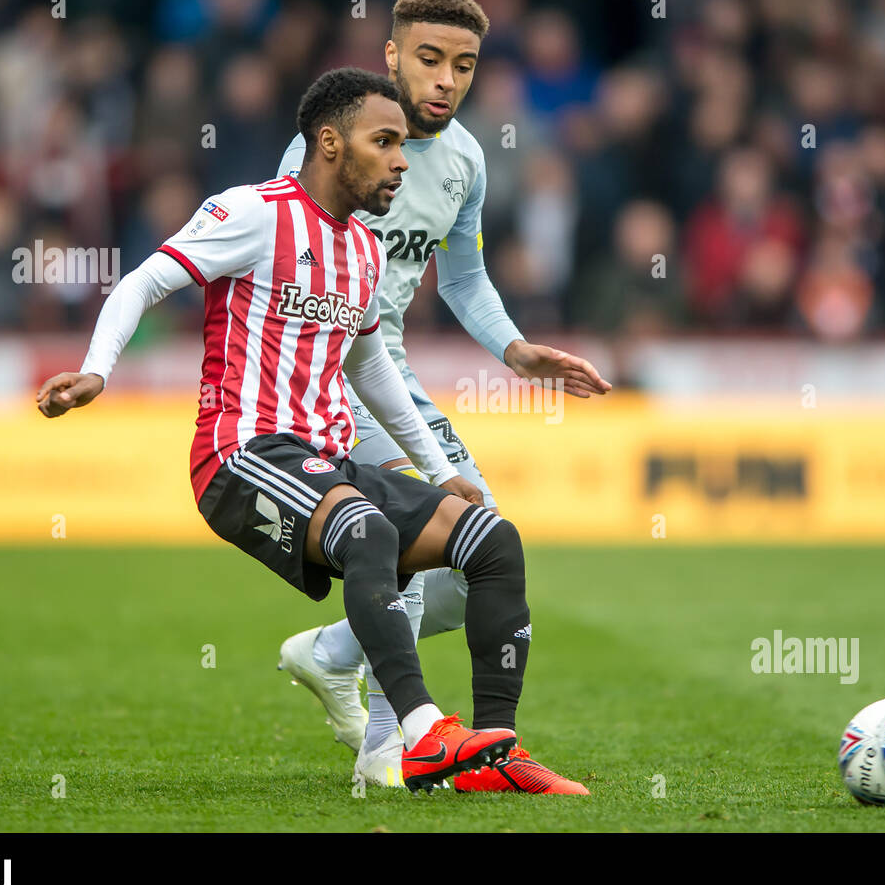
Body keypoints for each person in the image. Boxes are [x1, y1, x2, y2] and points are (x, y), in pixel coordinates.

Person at [35, 68, 529, 793]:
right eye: (384, 141)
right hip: (240, 456)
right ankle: (423, 731)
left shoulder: (364, 247)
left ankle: (496, 756)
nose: (401, 159)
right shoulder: (252, 212)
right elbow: (144, 279)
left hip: (325, 461)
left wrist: (437, 468)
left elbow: (370, 366)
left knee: (492, 540)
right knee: (369, 531)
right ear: (330, 143)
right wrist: (96, 370)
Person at [275, 0, 608, 794]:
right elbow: (275, 259)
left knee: (476, 554)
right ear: (390, 56)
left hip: (387, 368)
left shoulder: (465, 161)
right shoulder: (329, 144)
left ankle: (332, 654)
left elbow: (464, 279)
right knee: (409, 535)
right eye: (428, 59)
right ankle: (386, 751)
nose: (446, 80)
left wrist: (516, 349)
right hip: (324, 372)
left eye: (463, 64)